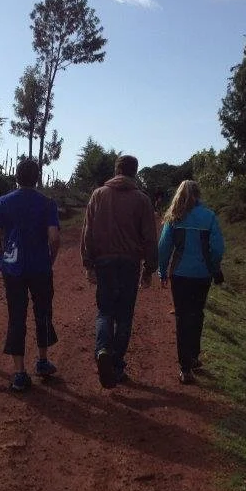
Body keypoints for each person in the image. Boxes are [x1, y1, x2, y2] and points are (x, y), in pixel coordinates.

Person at [80, 155, 158, 388]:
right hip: (129, 264)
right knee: (124, 315)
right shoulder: (142, 200)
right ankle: (116, 364)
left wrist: (88, 263)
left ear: (116, 171)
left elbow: (88, 231)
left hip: (104, 262)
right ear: (135, 172)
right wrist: (149, 269)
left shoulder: (98, 195)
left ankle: (102, 349)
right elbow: (150, 238)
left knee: (105, 311)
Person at [0, 158, 61, 392]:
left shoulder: (3, 202)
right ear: (38, 177)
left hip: (14, 269)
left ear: (16, 177)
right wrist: (50, 259)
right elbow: (54, 238)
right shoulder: (47, 203)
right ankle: (42, 360)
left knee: (16, 316)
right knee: (43, 313)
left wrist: (1, 260)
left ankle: (19, 373)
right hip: (40, 267)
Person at [157, 180, 225, 384]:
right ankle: (194, 356)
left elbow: (163, 248)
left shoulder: (174, 217)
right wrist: (213, 266)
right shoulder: (209, 216)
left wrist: (162, 271)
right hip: (202, 275)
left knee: (182, 318)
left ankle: (185, 368)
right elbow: (218, 249)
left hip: (179, 274)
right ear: (199, 194)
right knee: (197, 314)